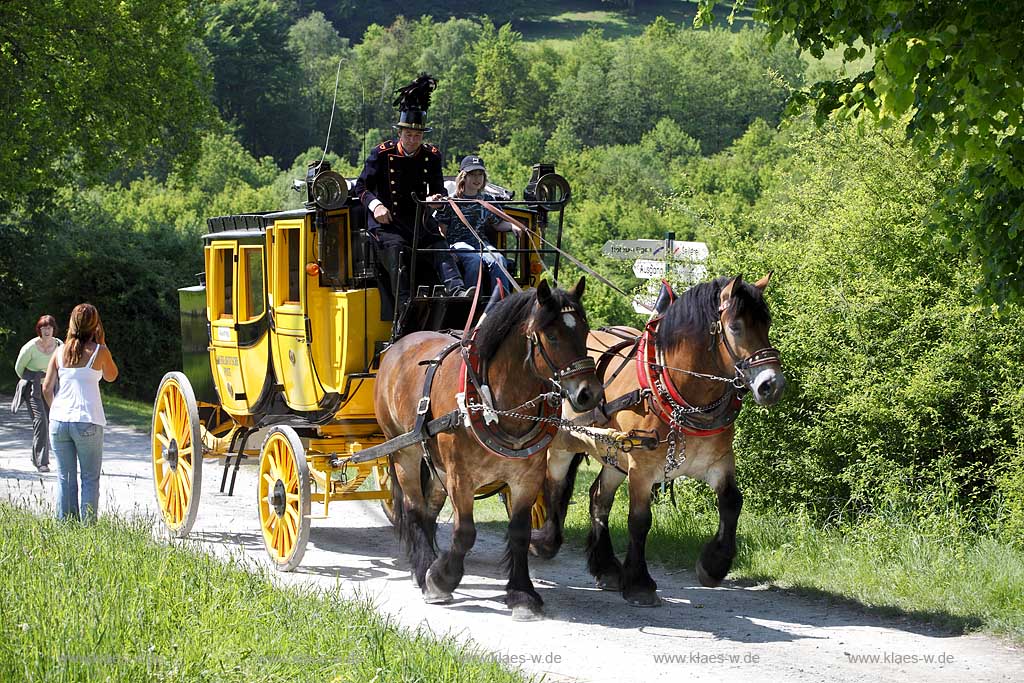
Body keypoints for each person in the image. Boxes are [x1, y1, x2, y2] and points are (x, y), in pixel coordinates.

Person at [352, 74, 469, 333]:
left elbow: (438, 190)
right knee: (398, 253)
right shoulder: (382, 154)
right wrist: (376, 206)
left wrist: (435, 202)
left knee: (440, 247)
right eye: (409, 134)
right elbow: (362, 187)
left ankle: (458, 292)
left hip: (420, 222)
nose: (413, 139)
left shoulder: (432, 156)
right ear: (400, 133)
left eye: (417, 135)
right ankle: (403, 315)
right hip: (388, 225)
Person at [42, 303, 118, 523]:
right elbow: (112, 376)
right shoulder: (99, 352)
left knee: (65, 477)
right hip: (87, 420)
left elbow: (47, 388)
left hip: (59, 420)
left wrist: (55, 409)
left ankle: (66, 525)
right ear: (95, 325)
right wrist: (101, 342)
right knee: (89, 478)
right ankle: (88, 527)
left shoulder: (59, 351)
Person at [434, 155, 524, 307]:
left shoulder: (487, 200)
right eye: (472, 174)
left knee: (499, 260)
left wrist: (512, 226)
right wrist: (449, 252)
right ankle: (472, 302)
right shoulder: (450, 201)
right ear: (464, 176)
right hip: (458, 244)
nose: (477, 178)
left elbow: (498, 224)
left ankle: (502, 304)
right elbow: (442, 230)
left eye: (480, 174)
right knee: (474, 260)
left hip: (480, 243)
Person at [13, 315, 64, 472]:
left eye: (49, 327)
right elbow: (18, 369)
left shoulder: (60, 345)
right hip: (33, 388)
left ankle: (36, 455)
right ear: (39, 330)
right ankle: (42, 462)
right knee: (40, 421)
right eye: (43, 328)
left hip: (51, 387)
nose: (47, 331)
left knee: (51, 420)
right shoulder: (30, 347)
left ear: (54, 329)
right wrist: (32, 379)